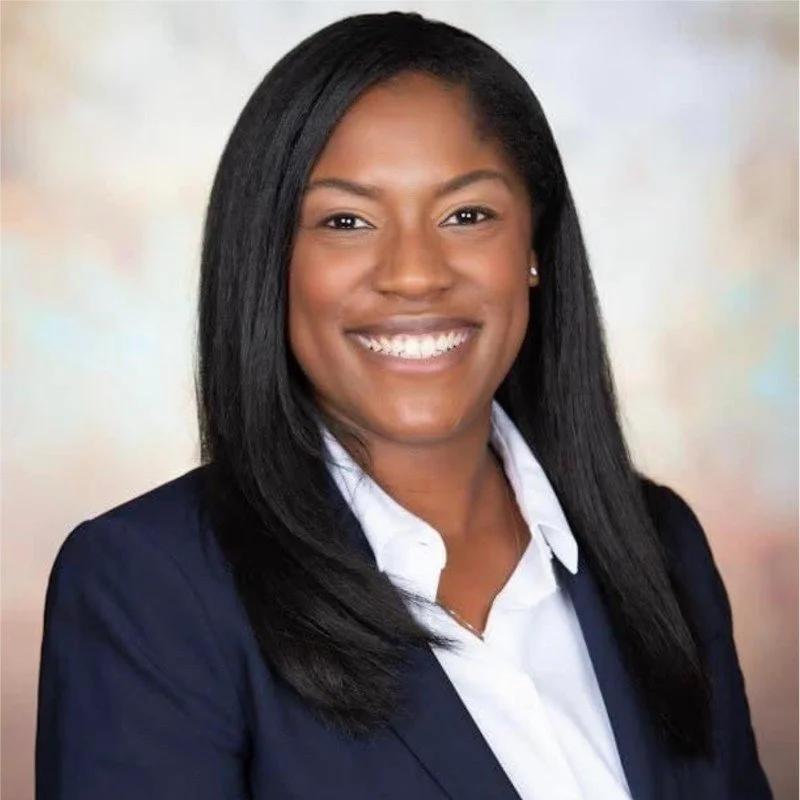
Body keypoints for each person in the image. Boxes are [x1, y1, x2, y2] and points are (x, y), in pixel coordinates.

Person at [35, 12, 772, 800]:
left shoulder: (659, 549)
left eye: (467, 215)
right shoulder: (151, 589)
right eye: (346, 221)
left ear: (533, 247)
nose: (415, 275)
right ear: (270, 261)